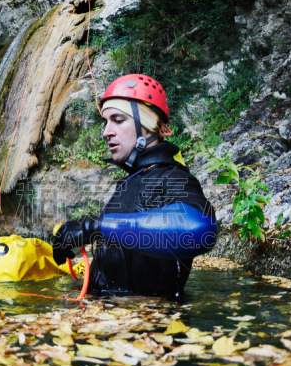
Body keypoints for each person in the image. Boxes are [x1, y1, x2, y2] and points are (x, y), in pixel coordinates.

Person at [51, 74, 217, 298]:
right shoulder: (132, 181)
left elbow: (200, 228)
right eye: (106, 122)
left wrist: (93, 228)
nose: (106, 131)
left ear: (148, 125)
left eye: (118, 120)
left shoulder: (173, 177)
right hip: (107, 321)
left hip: (152, 328)